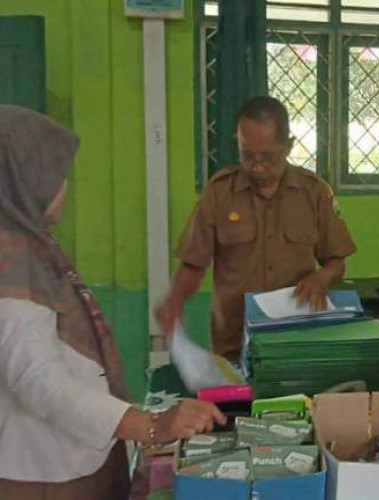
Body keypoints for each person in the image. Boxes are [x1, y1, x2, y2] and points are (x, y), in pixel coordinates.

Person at [0, 105, 225, 499]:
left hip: (65, 454)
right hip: (43, 469)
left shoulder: (29, 246)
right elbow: (37, 380)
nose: (65, 186)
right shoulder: (11, 264)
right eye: (56, 173)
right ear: (24, 177)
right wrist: (149, 424)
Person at [156, 96, 356, 360]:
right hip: (233, 344)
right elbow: (194, 262)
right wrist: (175, 300)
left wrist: (321, 278)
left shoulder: (314, 193)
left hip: (295, 340)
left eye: (268, 156)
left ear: (288, 146)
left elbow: (336, 264)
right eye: (247, 155)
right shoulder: (219, 192)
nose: (257, 165)